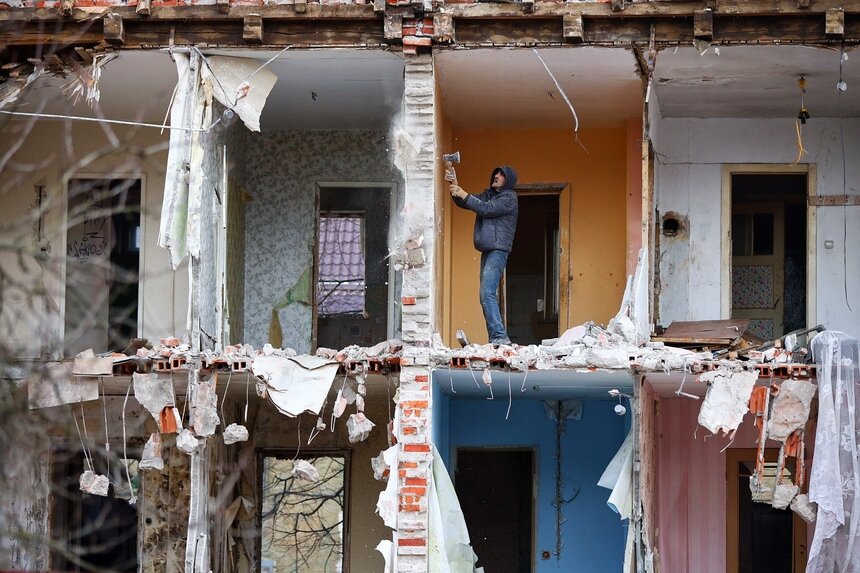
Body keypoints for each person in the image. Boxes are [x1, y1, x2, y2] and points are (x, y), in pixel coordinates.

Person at [449, 165, 519, 346]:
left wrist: (463, 192)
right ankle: (495, 337)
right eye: (496, 172)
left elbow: (486, 209)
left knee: (487, 292)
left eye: (502, 174)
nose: (496, 175)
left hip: (498, 249)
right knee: (485, 295)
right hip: (488, 249)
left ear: (508, 180)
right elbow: (465, 202)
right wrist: (454, 185)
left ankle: (500, 337)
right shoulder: (488, 195)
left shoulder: (509, 198)